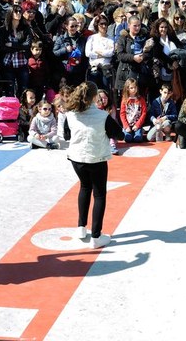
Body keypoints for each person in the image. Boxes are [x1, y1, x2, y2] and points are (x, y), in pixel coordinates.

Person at [59, 81, 124, 249]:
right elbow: (120, 134)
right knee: (99, 195)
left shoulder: (71, 114)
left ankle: (81, 228)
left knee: (84, 187)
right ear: (95, 97)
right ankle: (96, 236)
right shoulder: (103, 116)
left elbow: (66, 135)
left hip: (76, 159)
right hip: (96, 159)